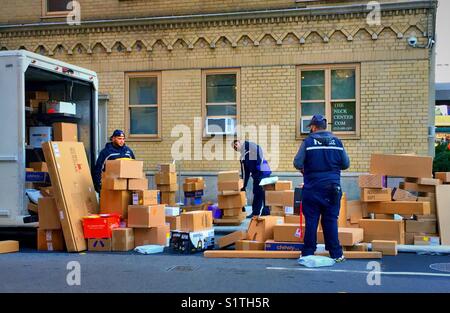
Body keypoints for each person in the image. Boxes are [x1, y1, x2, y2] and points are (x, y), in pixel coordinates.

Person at [293, 115, 350, 262]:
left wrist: (305, 170)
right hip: (332, 188)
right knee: (330, 220)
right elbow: (345, 164)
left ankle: (307, 253)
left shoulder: (308, 142)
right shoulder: (337, 142)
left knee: (311, 220)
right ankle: (336, 254)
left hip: (313, 187)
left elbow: (297, 162)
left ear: (313, 127)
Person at [232, 140, 272, 218]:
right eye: (234, 147)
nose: (236, 147)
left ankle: (266, 211)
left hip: (263, 170)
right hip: (256, 174)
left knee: (263, 192)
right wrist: (244, 185)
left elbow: (259, 150)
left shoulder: (249, 145)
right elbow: (245, 173)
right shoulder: (243, 157)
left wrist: (259, 165)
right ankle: (255, 213)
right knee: (256, 192)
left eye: (236, 144)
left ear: (240, 142)